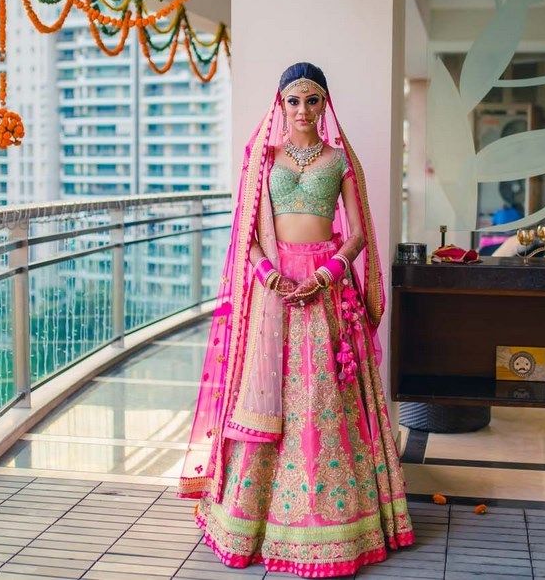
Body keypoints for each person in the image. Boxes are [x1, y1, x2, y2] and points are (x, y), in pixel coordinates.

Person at [178, 62, 415, 577]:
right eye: (294, 100)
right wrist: (266, 274)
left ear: (325, 104)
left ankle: (336, 525)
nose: (303, 110)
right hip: (275, 292)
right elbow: (250, 233)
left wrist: (330, 272)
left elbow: (356, 233)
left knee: (325, 397)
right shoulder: (263, 159)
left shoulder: (340, 162)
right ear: (280, 104)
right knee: (272, 396)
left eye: (312, 100)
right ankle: (254, 521)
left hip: (326, 291)